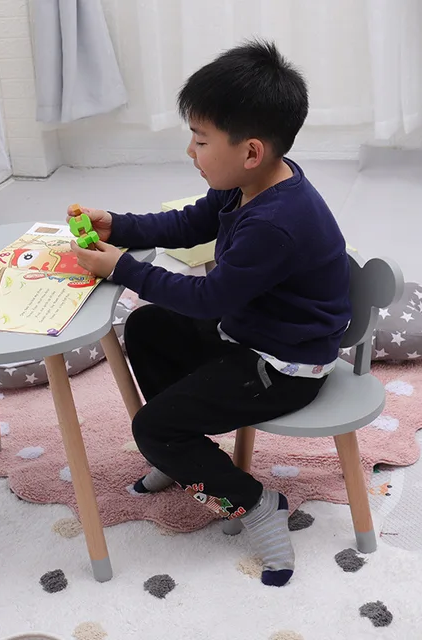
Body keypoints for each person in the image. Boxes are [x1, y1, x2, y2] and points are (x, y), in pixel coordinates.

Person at [66, 40, 351, 587]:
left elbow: (207, 298)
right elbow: (186, 224)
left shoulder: (274, 223)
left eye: (200, 140)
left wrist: (123, 268)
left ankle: (258, 504)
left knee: (154, 429)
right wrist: (118, 226)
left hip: (282, 366)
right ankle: (188, 454)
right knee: (147, 326)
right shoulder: (249, 183)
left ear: (251, 151)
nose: (190, 151)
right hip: (250, 332)